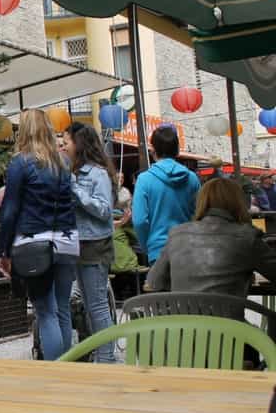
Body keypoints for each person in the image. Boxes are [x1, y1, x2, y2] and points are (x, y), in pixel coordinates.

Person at [0, 109, 78, 361]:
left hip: (34, 243)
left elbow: (10, 210)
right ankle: (69, 367)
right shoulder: (64, 162)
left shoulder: (20, 162)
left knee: (46, 312)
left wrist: (3, 250)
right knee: (63, 309)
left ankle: (56, 371)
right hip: (67, 240)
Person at [147, 178, 276, 296]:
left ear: (201, 201)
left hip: (183, 319)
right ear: (239, 202)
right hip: (229, 320)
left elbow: (153, 283)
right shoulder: (248, 237)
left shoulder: (176, 234)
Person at [63, 122, 116, 363]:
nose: (64, 145)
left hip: (95, 244)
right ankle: (101, 352)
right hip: (79, 244)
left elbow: (105, 210)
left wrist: (76, 191)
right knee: (88, 303)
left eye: (67, 141)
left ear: (79, 144)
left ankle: (106, 357)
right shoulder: (74, 171)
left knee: (97, 305)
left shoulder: (97, 173)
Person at [132, 125, 200, 264]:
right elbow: (200, 214)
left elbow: (139, 221)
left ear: (153, 150)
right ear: (177, 149)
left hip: (159, 250)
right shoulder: (192, 178)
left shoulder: (144, 179)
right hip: (188, 248)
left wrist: (148, 246)